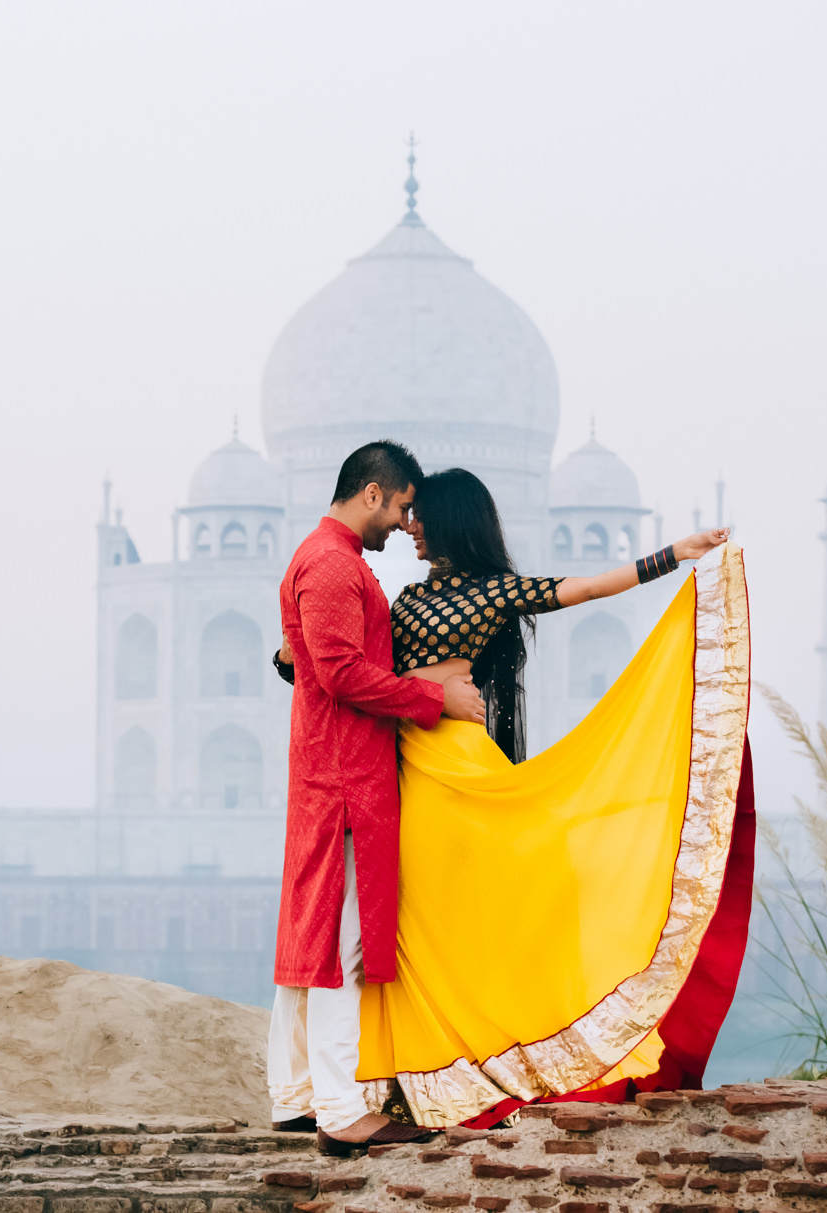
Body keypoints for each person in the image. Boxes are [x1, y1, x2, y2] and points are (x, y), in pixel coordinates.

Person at [278, 467, 753, 1131]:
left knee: (448, 919)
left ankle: (452, 1062)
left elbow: (585, 588)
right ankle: (409, 1077)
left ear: (447, 521)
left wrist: (673, 555)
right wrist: (316, 654)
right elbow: (357, 669)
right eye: (405, 513)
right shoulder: (405, 601)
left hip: (449, 771)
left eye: (420, 517)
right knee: (419, 926)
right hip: (406, 772)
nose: (408, 527)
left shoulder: (475, 594)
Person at [267, 440, 488, 1157]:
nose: (401, 523)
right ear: (371, 493)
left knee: (313, 932)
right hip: (344, 780)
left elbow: (304, 660)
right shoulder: (333, 565)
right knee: (339, 942)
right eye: (398, 506)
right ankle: (340, 1108)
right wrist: (437, 698)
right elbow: (338, 675)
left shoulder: (324, 558)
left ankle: (294, 1092)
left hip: (327, 773)